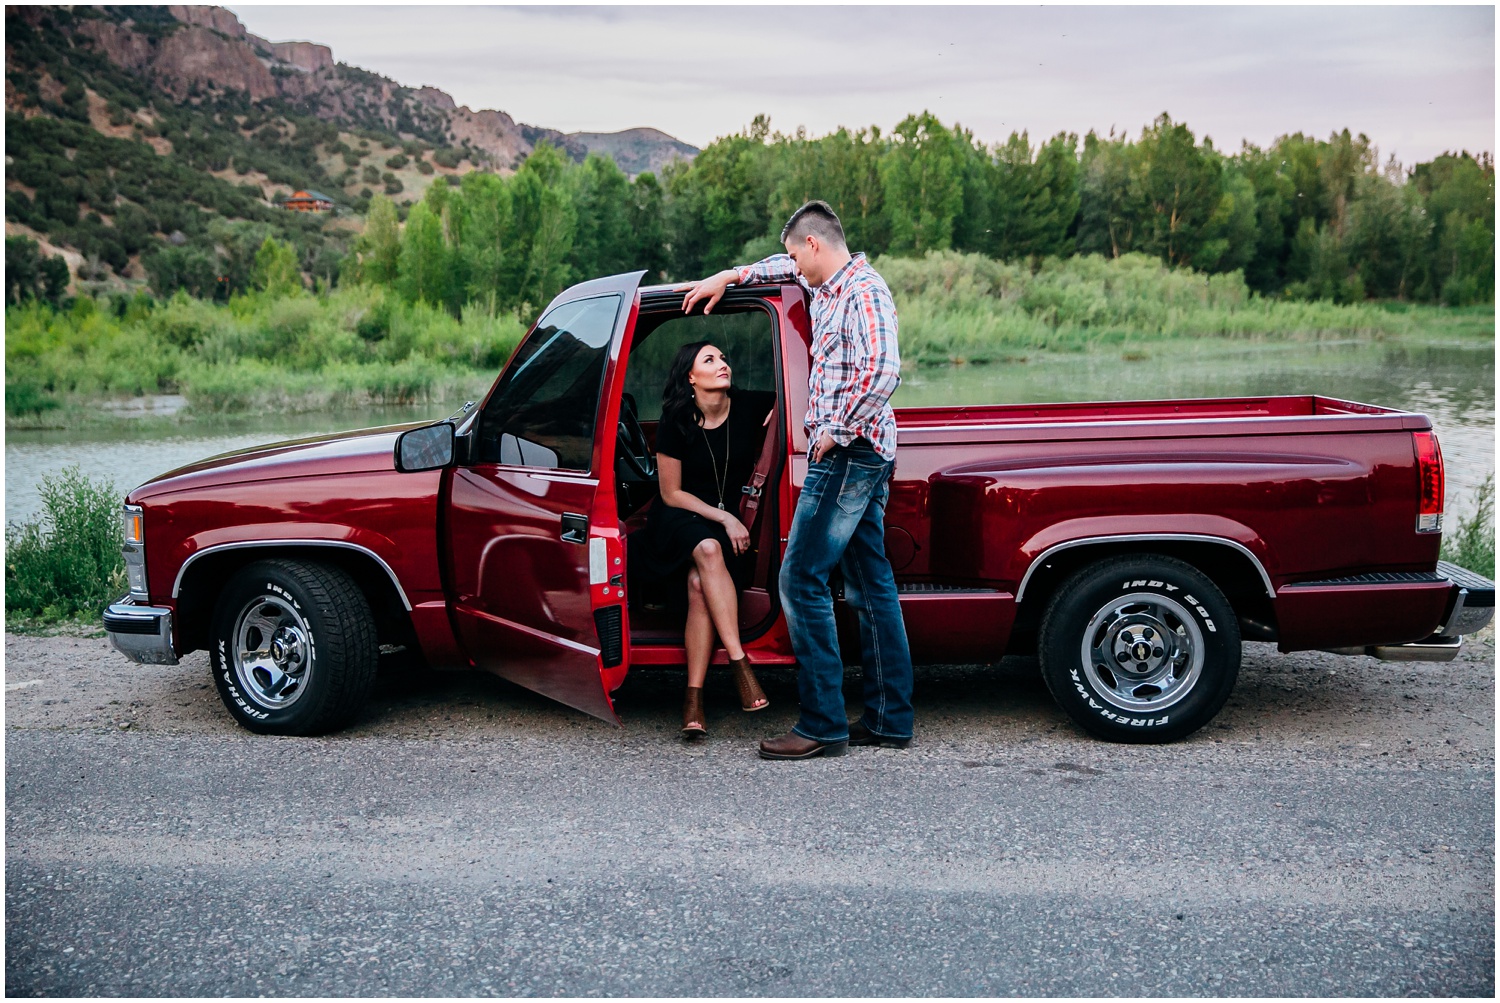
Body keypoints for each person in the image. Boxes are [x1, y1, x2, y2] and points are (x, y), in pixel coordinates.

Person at [681, 200, 914, 761]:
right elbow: (775, 269)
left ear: (814, 244)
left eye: (794, 253)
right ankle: (888, 720)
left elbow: (884, 369)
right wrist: (732, 276)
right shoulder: (826, 282)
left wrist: (835, 431)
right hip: (861, 454)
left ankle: (822, 724)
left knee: (800, 581)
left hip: (850, 455)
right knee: (870, 583)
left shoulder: (863, 290)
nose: (792, 266)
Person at [628, 341, 774, 738]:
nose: (723, 364)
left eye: (723, 358)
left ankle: (693, 700)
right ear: (691, 377)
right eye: (710, 360)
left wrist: (783, 412)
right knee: (708, 549)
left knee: (698, 585)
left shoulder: (748, 405)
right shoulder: (675, 419)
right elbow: (671, 493)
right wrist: (726, 517)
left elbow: (799, 392)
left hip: (722, 524)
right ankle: (741, 665)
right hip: (680, 519)